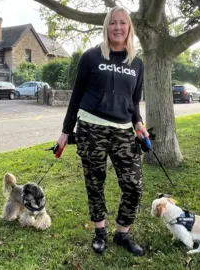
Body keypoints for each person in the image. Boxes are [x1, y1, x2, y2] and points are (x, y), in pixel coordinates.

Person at [56, 6, 148, 256]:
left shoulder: (137, 63)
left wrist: (138, 123)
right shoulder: (91, 57)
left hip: (123, 131)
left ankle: (123, 233)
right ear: (106, 27)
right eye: (113, 23)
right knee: (95, 183)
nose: (118, 27)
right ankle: (100, 232)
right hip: (91, 128)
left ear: (129, 28)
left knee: (134, 185)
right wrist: (66, 130)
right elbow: (76, 96)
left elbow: (134, 101)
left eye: (123, 23)